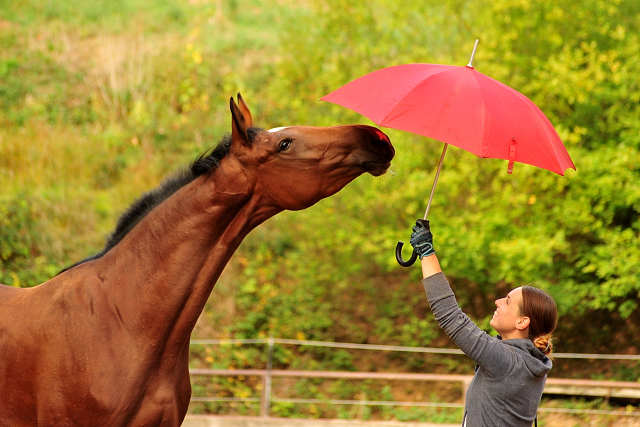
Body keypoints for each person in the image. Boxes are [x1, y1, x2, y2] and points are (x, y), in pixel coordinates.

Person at [409, 219, 557, 427]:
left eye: (507, 301)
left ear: (522, 321)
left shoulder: (507, 361)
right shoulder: (529, 361)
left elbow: (449, 314)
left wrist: (427, 252)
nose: (497, 302)